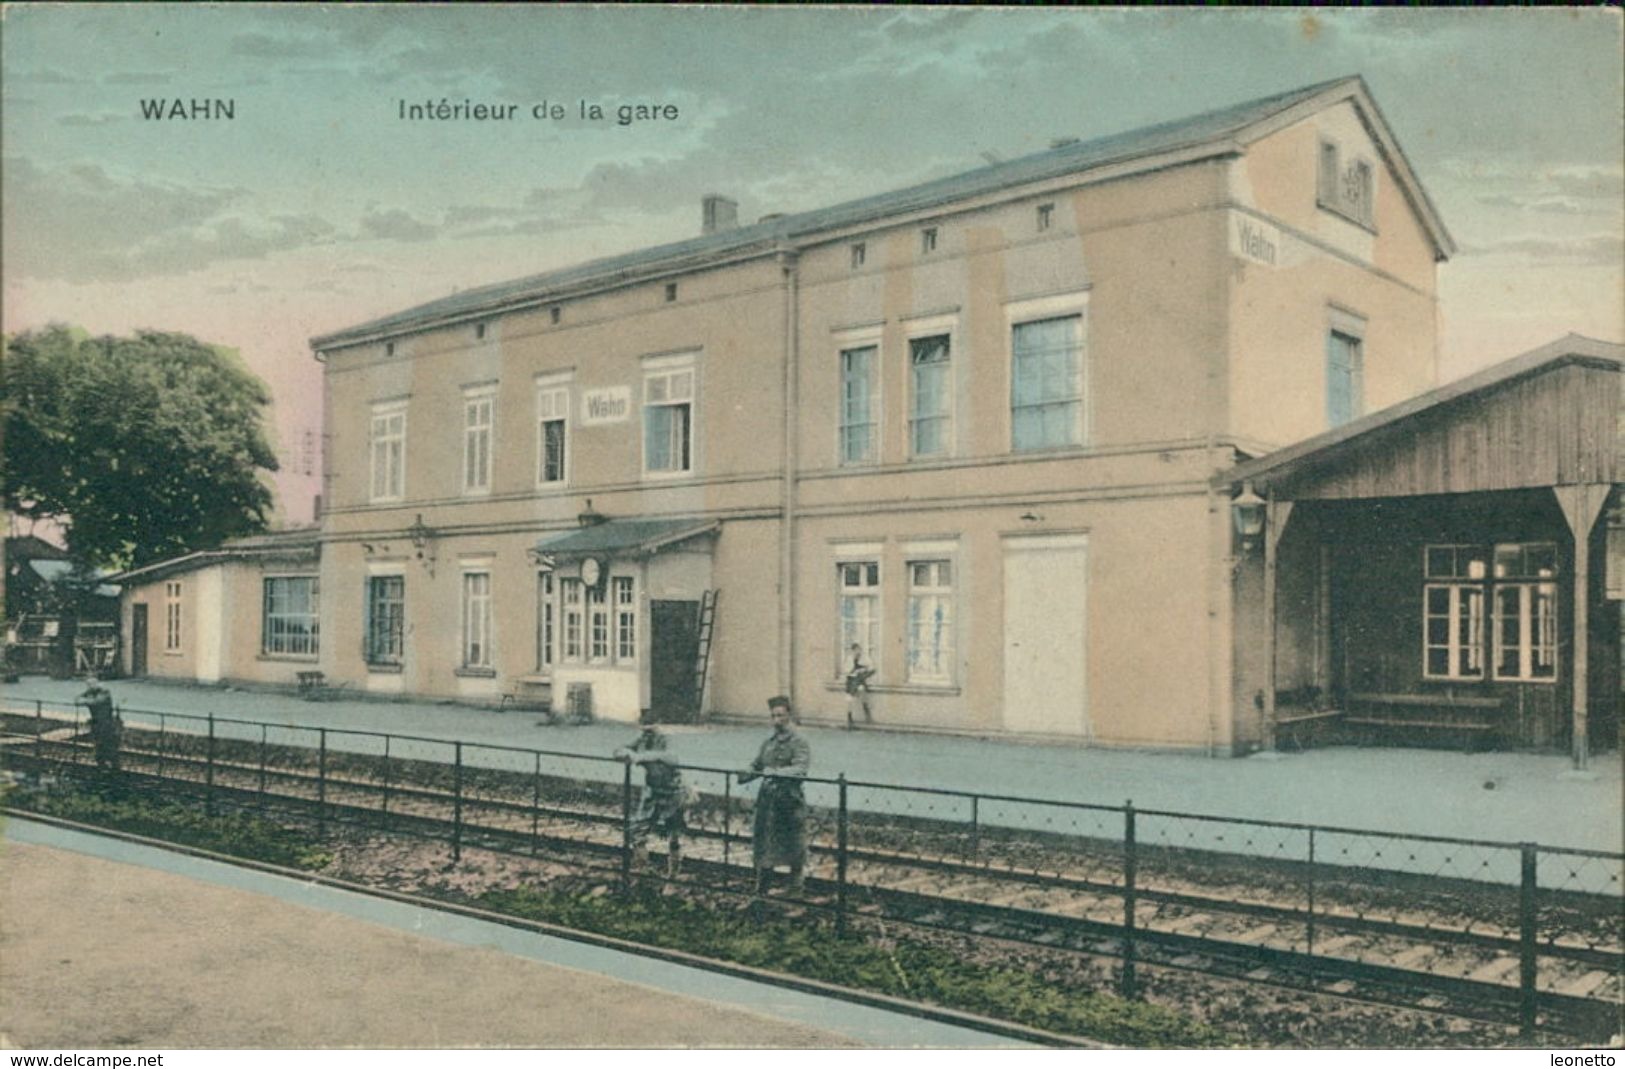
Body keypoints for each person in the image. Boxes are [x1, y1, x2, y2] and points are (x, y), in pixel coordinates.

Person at [739, 695, 811, 894]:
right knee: (764, 842)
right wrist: (746, 773)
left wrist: (776, 773)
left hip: (789, 799)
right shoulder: (768, 742)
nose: (776, 720)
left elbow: (800, 769)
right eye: (773, 716)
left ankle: (796, 888)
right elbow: (757, 764)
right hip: (768, 800)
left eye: (780, 715)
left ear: (789, 715)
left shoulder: (799, 741)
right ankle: (762, 887)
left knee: (793, 842)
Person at [615, 721, 687, 878]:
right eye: (644, 729)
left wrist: (642, 757)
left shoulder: (667, 738)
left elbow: (672, 758)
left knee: (674, 836)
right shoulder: (643, 738)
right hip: (652, 792)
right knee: (637, 832)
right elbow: (619, 751)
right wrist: (627, 754)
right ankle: (643, 872)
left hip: (673, 791)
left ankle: (673, 875)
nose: (647, 733)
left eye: (651, 729)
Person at [75, 675, 120, 772]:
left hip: (107, 723)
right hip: (96, 723)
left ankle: (115, 766)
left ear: (98, 683)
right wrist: (86, 700)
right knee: (98, 745)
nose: (90, 686)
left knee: (109, 744)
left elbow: (96, 702)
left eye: (92, 684)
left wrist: (85, 701)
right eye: (88, 684)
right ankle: (102, 765)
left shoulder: (104, 692)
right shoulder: (90, 692)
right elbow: (77, 700)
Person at [844, 643, 876, 729]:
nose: (858, 652)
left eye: (859, 650)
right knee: (849, 699)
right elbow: (847, 671)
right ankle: (849, 719)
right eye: (856, 650)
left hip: (859, 679)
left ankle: (866, 712)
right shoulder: (849, 659)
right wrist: (854, 670)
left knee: (862, 690)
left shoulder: (864, 658)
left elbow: (871, 667)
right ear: (852, 651)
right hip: (851, 680)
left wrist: (863, 670)